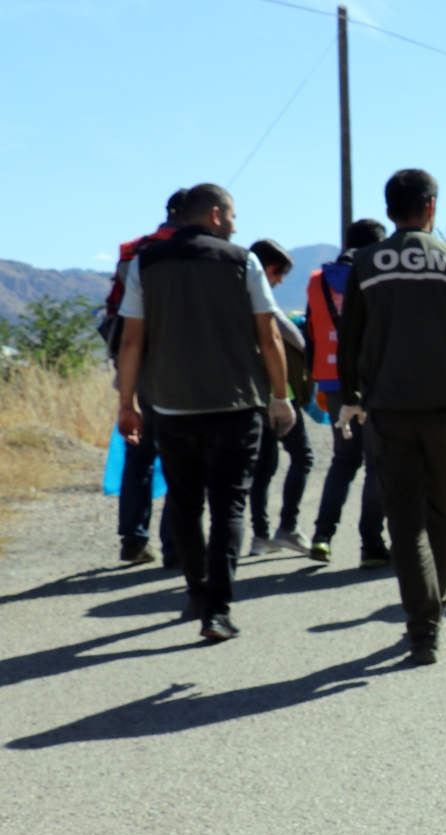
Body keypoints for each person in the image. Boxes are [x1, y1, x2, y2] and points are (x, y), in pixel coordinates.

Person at [335, 169, 446, 666]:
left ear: (390, 209)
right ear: (431, 206)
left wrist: (350, 396)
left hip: (390, 410)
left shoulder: (368, 262)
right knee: (444, 513)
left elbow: (350, 336)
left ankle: (423, 628)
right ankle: (436, 603)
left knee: (405, 523)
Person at [114, 182, 296, 641]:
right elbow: (269, 334)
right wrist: (281, 395)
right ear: (215, 215)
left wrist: (127, 403)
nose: (235, 222)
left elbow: (131, 339)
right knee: (229, 506)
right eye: (232, 214)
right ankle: (218, 609)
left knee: (185, 503)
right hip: (235, 404)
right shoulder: (242, 261)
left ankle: (197, 593)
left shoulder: (145, 263)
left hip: (171, 406)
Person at [104, 188, 185, 567]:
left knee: (140, 454)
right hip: (174, 362)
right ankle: (175, 543)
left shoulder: (133, 250)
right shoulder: (189, 251)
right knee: (180, 456)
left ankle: (134, 540)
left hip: (133, 359)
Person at [306, 218, 391, 567]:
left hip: (331, 377)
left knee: (344, 459)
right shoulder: (375, 276)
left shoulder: (316, 281)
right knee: (376, 463)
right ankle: (371, 544)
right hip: (370, 379)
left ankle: (322, 536)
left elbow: (311, 329)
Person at [244, 239, 316, 557]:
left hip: (250, 395)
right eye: (277, 271)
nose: (279, 279)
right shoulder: (259, 299)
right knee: (303, 457)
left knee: (264, 466)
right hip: (276, 395)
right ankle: (287, 526)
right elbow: (291, 337)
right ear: (263, 267)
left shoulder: (232, 297)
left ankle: (260, 535)